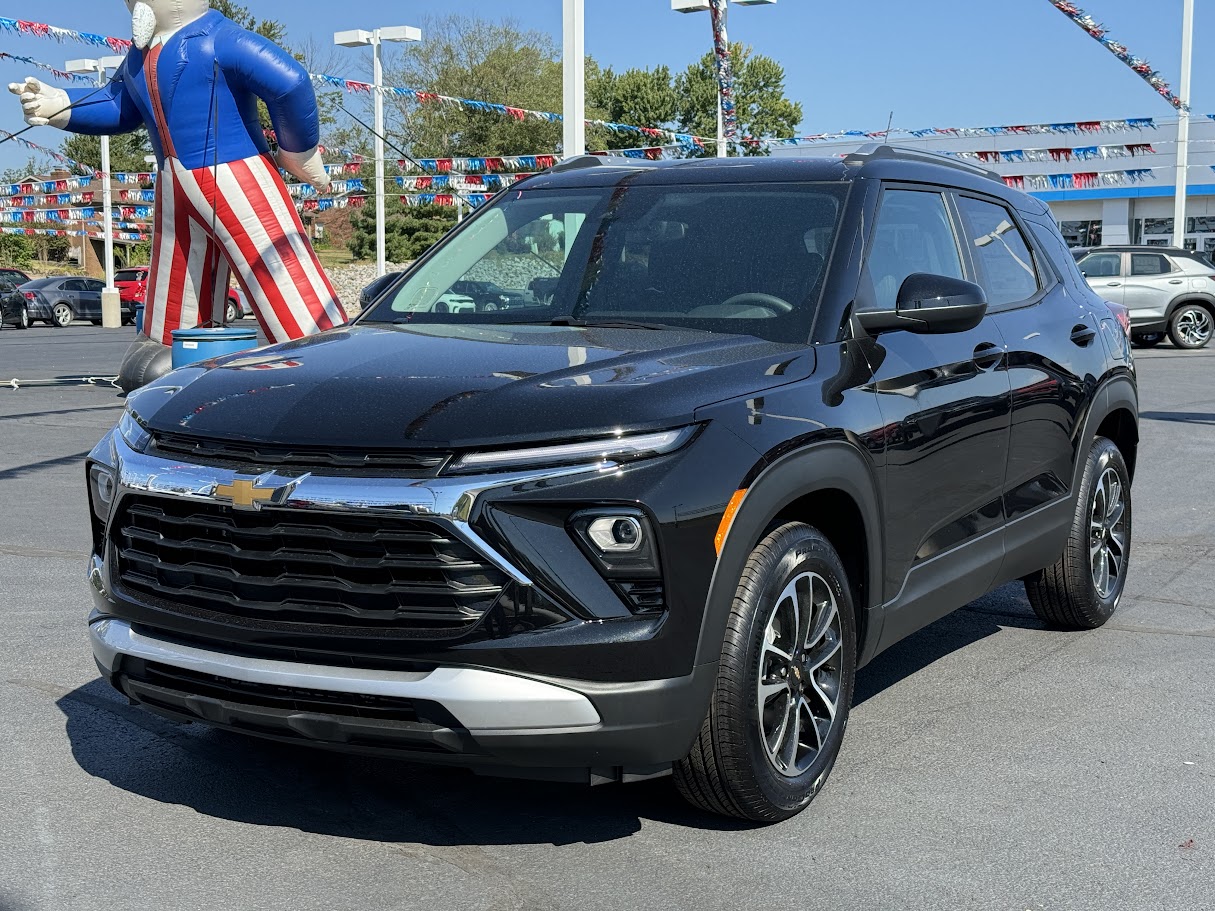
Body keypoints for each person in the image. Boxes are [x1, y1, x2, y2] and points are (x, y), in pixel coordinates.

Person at [10, 0, 345, 390]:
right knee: (177, 274)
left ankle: (322, 353)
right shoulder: (140, 56)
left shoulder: (219, 39)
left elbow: (290, 83)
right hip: (174, 183)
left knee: (275, 265)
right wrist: (61, 104)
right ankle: (166, 344)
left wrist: (298, 154)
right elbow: (121, 104)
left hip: (239, 175)